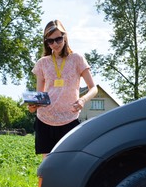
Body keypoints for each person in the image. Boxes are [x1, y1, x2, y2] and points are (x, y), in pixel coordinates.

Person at [29, 19, 98, 157]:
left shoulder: (77, 59)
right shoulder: (42, 63)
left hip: (70, 118)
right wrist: (33, 105)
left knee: (69, 162)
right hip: (45, 120)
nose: (55, 44)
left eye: (58, 39)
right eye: (50, 41)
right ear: (46, 42)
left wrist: (83, 100)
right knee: (48, 165)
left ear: (65, 37)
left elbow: (93, 88)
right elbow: (40, 94)